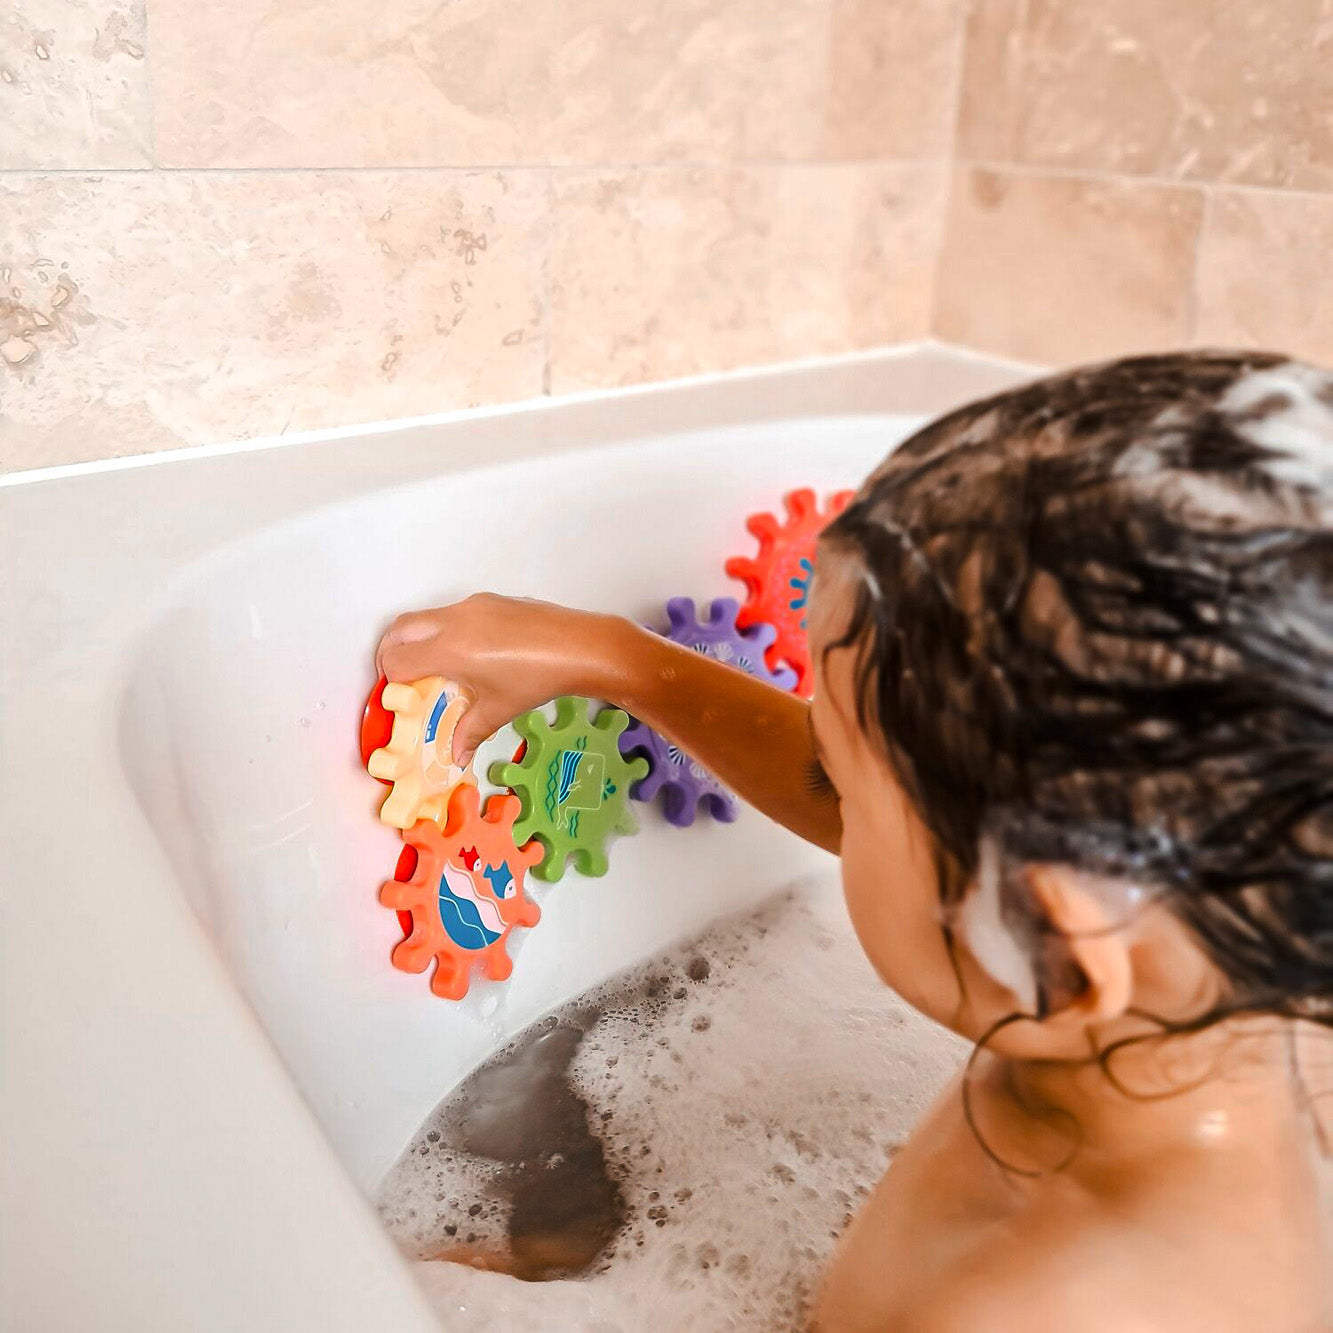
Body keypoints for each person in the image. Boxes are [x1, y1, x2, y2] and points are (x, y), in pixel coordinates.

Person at [377, 351, 1333, 1331]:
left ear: (1051, 948)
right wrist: (620, 661)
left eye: (834, 769)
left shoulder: (1060, 1307)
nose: (819, 781)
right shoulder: (1225, 1011)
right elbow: (888, 824)